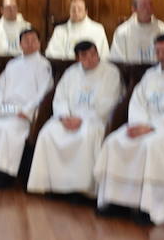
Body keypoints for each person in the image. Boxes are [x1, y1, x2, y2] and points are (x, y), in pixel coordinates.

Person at [93, 33, 164, 225]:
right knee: (114, 141)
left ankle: (148, 209)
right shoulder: (151, 74)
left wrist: (151, 127)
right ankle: (114, 203)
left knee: (151, 147)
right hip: (143, 127)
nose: (161, 56)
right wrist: (139, 124)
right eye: (157, 52)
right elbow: (137, 102)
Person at [26, 40, 123, 196]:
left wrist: (82, 119)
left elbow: (109, 101)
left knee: (86, 136)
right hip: (68, 117)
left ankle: (81, 190)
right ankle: (52, 186)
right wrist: (64, 116)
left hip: (94, 120)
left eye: (93, 54)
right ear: (78, 58)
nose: (90, 59)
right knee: (48, 133)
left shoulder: (111, 72)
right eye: (85, 56)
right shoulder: (71, 72)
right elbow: (60, 98)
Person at [0, 28, 53, 188]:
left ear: (39, 43)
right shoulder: (13, 64)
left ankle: (3, 175)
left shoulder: (44, 65)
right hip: (5, 108)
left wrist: (27, 111)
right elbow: (0, 87)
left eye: (33, 40)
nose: (30, 44)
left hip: (23, 111)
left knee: (8, 130)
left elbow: (44, 92)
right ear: (20, 44)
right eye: (26, 41)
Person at [108, 0, 164, 64]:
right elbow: (117, 59)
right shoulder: (122, 31)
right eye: (144, 5)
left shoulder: (163, 29)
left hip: (157, 73)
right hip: (131, 73)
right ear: (134, 9)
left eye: (150, 4)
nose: (148, 8)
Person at [44, 0, 110, 60]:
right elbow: (51, 53)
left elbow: (104, 54)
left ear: (86, 11)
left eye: (79, 9)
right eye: (73, 9)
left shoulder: (97, 29)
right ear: (69, 11)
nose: (76, 12)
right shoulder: (59, 30)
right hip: (64, 67)